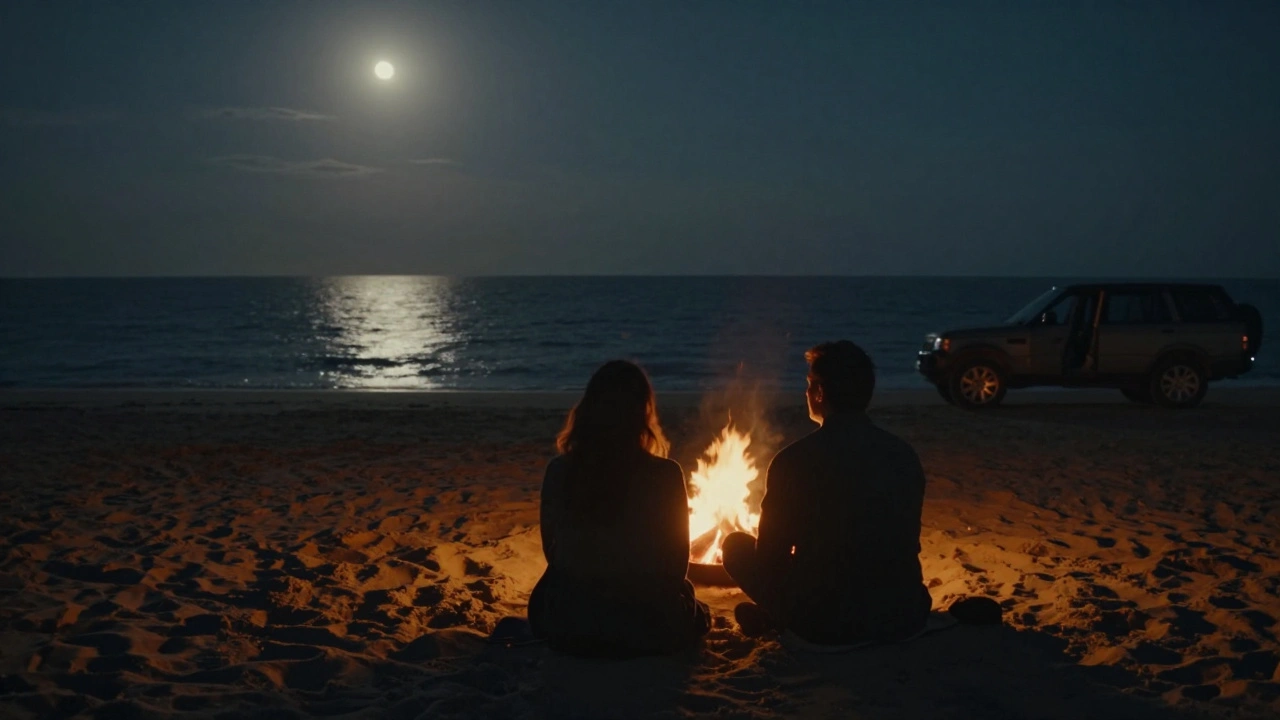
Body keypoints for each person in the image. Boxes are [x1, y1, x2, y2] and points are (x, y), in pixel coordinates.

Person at [722, 341, 932, 644]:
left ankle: (776, 617)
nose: (806, 393)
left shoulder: (794, 460)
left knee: (734, 547)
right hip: (904, 612)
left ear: (820, 392)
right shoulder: (903, 454)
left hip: (825, 621)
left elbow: (770, 560)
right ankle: (772, 616)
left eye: (809, 385)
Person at [529, 360, 710, 656]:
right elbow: (677, 567)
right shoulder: (665, 474)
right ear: (642, 412)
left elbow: (553, 553)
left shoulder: (559, 470)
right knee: (689, 602)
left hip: (570, 623)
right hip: (643, 624)